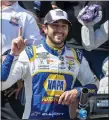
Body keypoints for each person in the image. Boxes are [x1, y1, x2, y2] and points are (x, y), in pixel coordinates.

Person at [1, 9, 99, 119]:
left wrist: (79, 91)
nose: (60, 30)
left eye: (64, 26)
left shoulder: (76, 56)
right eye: (55, 25)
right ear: (44, 28)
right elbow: (2, 84)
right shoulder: (29, 54)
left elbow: (94, 86)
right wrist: (12, 54)